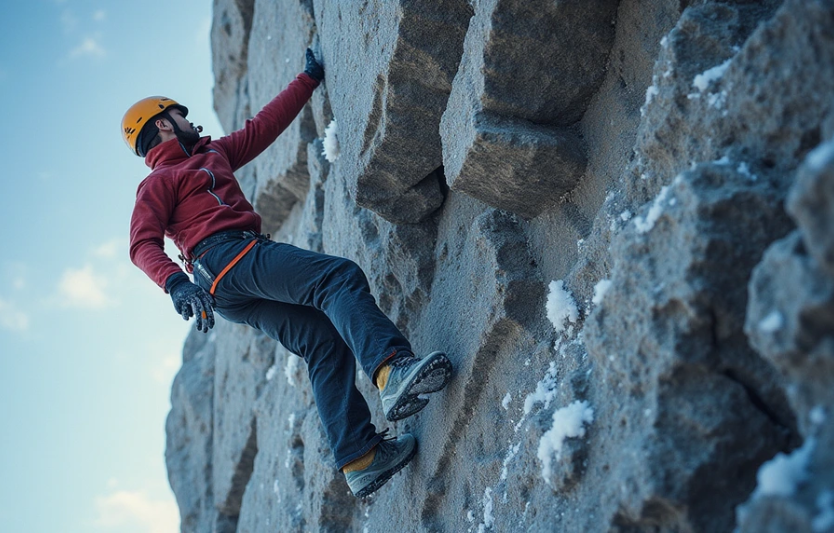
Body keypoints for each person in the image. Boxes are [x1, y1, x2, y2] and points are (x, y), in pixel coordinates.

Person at [123, 49, 453, 497]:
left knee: (322, 340)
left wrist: (308, 78)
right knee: (336, 279)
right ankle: (391, 370)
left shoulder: (212, 154)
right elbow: (142, 244)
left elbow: (262, 129)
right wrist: (175, 283)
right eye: (182, 116)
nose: (191, 122)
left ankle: (361, 458)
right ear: (163, 123)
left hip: (227, 287)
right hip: (227, 259)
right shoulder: (159, 181)